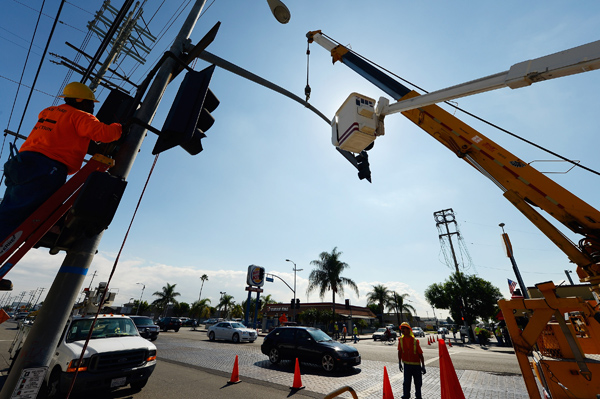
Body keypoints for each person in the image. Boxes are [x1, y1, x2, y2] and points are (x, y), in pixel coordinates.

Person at [0, 82, 122, 241]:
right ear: (80, 101)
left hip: (21, 162)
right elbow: (105, 134)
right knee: (19, 211)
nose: (92, 107)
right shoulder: (80, 116)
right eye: (90, 102)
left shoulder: (48, 112)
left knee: (13, 205)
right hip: (46, 167)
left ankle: (48, 227)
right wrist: (119, 126)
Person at [398, 322, 425, 399]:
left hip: (416, 365)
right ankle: (406, 395)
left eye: (404, 328)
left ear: (408, 330)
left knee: (418, 383)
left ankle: (418, 396)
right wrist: (399, 363)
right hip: (406, 365)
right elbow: (399, 351)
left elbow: (420, 354)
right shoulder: (400, 340)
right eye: (401, 328)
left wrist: (423, 366)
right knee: (406, 382)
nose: (402, 330)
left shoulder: (415, 341)